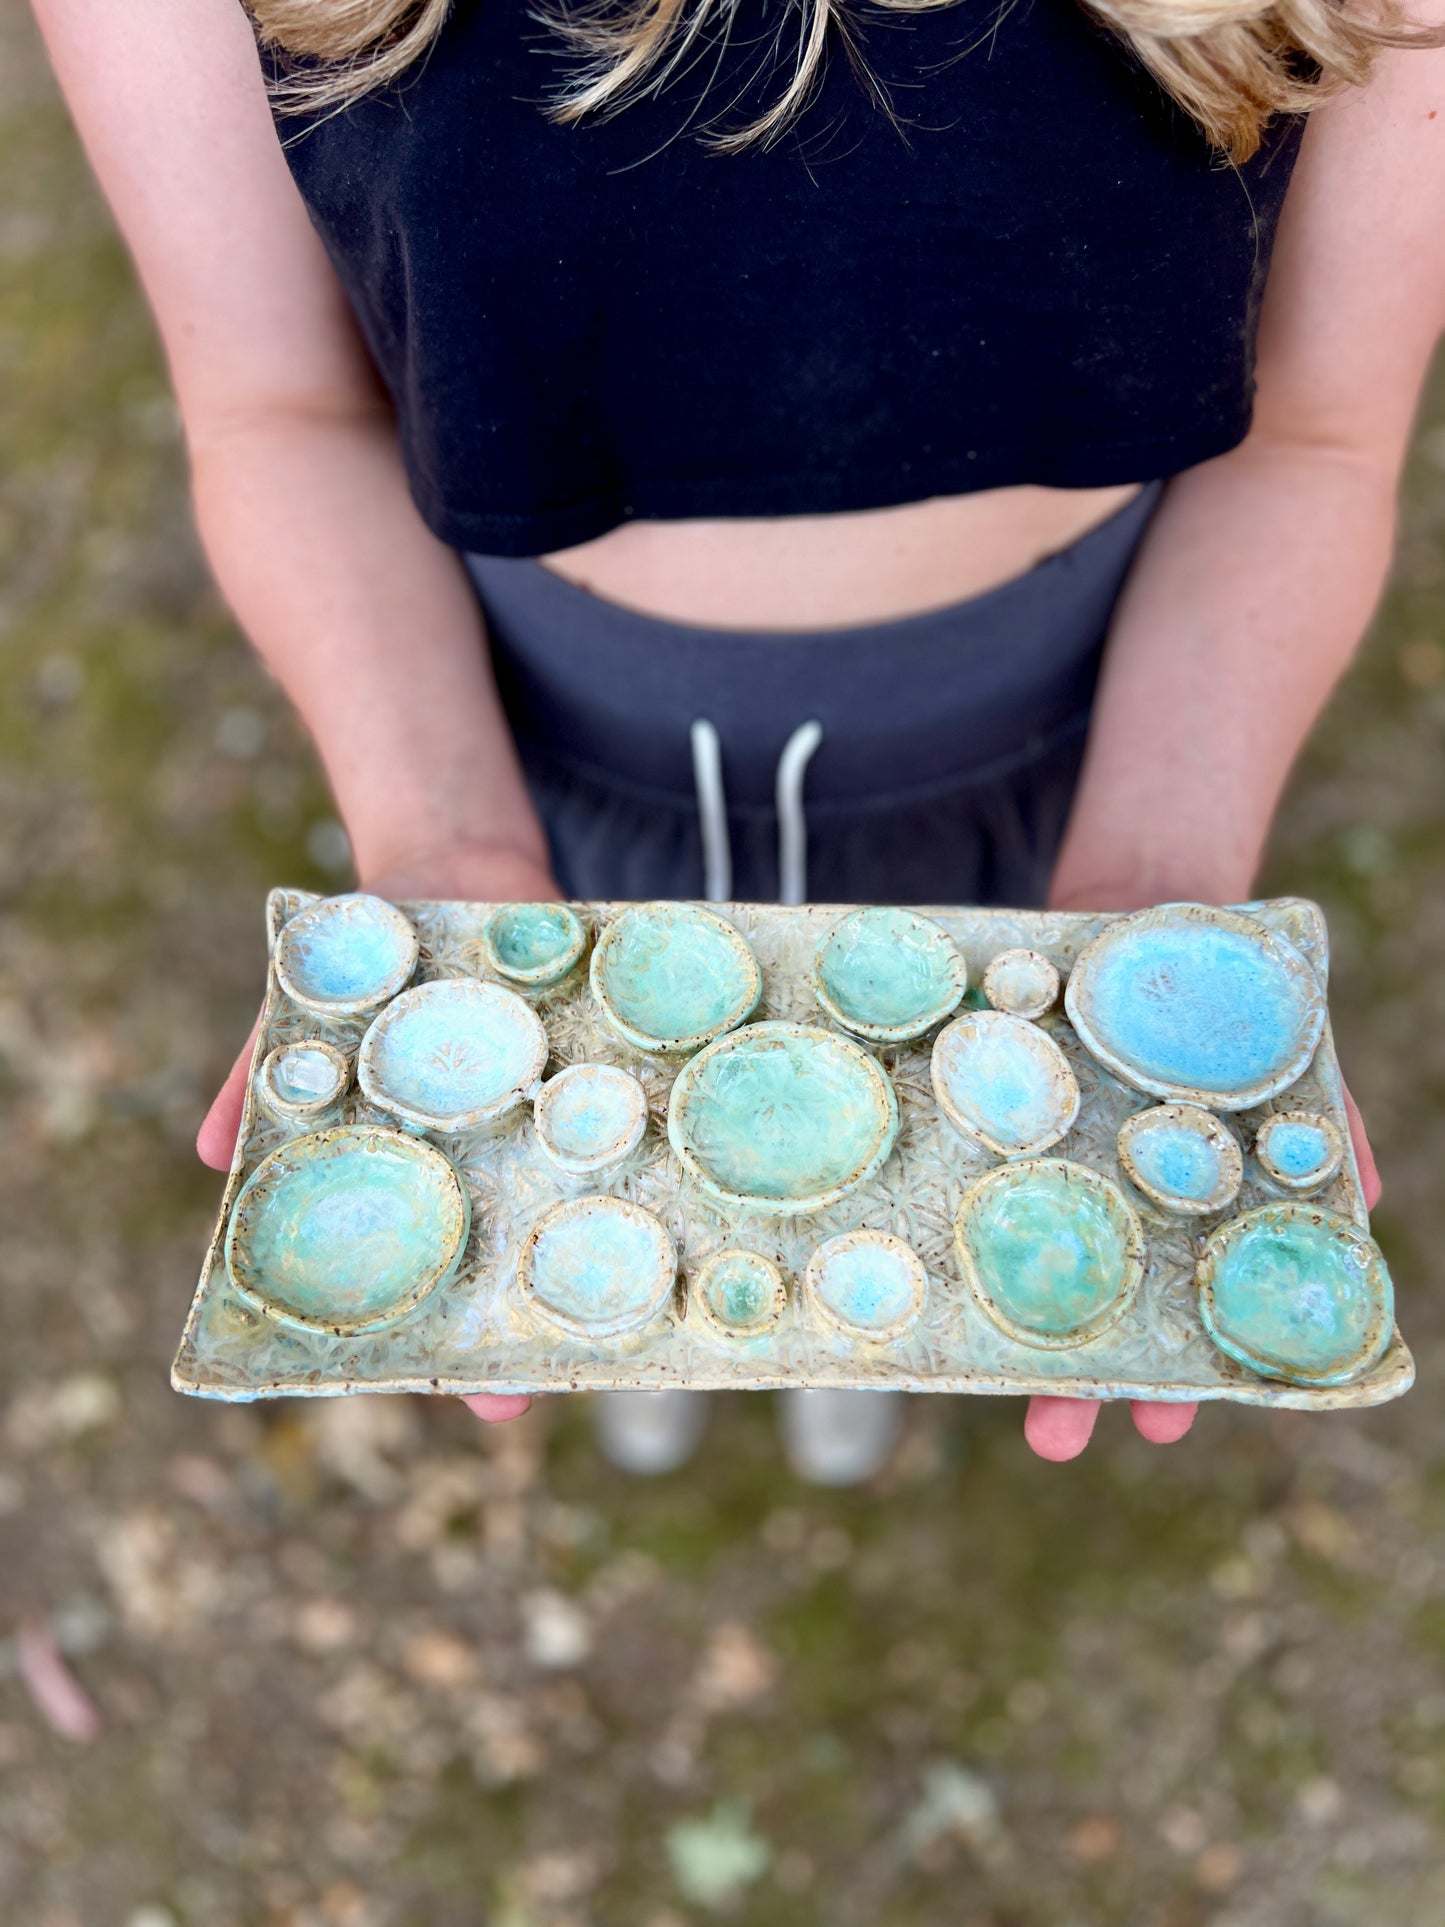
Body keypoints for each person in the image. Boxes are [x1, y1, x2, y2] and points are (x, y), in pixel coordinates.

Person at [33, 0, 1440, 1474]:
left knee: (947, 1182)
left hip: (1075, 750)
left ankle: (856, 1346)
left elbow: (1320, 430)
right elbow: (276, 407)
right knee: (593, 1185)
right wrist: (443, 842)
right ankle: (657, 1327)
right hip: (525, 747)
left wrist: (1159, 848)